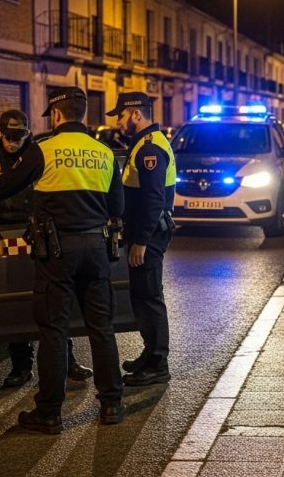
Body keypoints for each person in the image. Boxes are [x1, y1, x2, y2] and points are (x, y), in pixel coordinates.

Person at [0, 87, 126, 432]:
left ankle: (49, 412)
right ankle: (111, 406)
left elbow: (10, 184)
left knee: (54, 331)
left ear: (57, 115)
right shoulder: (104, 152)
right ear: (83, 114)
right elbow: (117, 207)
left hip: (56, 251)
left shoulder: (44, 150)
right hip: (97, 248)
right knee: (102, 329)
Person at [0, 110, 94, 389]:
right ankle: (21, 367)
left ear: (28, 133)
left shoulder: (38, 155)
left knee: (55, 300)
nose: (12, 142)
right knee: (14, 301)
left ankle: (67, 361)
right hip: (2, 237)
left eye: (19, 136)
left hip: (38, 234)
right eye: (8, 136)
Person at [108, 92, 176, 387]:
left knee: (149, 297)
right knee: (142, 296)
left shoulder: (150, 149)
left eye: (121, 115)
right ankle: (150, 354)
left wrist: (141, 241)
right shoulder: (142, 145)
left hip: (148, 235)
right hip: (143, 233)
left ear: (136, 114)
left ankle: (158, 362)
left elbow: (153, 198)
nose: (119, 122)